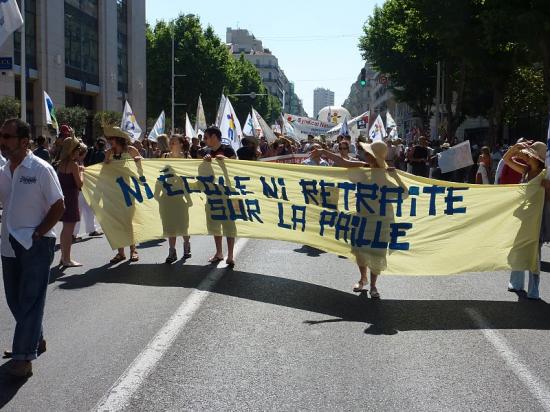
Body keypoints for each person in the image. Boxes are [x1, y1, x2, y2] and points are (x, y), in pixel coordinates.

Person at [0, 118, 65, 378]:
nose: (2, 140)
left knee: (30, 299)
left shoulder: (40, 169)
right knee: (15, 299)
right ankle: (34, 339)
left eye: (7, 136)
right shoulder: (4, 169)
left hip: (37, 243)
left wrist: (38, 233)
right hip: (8, 243)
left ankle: (23, 357)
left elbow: (58, 205)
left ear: (25, 141)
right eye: (1, 135)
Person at [311, 140, 393, 298]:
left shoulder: (387, 172)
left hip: (381, 218)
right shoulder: (363, 167)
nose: (366, 154)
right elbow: (343, 162)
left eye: (369, 153)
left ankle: (374, 285)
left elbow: (402, 191)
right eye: (367, 152)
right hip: (362, 215)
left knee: (377, 251)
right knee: (360, 250)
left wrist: (395, 176)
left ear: (376, 156)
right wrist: (323, 152)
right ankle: (363, 279)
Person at [503, 141, 547, 299]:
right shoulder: (525, 171)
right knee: (518, 248)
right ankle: (516, 283)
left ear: (539, 158)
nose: (528, 156)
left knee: (534, 254)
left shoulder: (546, 175)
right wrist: (515, 148)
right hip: (523, 218)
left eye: (531, 154)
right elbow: (507, 160)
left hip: (537, 219)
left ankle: (534, 289)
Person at [104, 126, 143, 263]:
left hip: (127, 192)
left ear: (119, 139)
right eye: (108, 139)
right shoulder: (108, 153)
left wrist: (139, 160)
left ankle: (133, 250)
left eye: (111, 138)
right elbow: (104, 174)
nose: (109, 141)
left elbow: (141, 169)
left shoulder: (131, 150)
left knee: (128, 222)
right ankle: (121, 253)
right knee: (116, 223)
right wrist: (106, 164)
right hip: (113, 193)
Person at [201, 126, 237, 266]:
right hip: (213, 194)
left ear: (214, 137)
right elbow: (203, 171)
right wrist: (206, 163)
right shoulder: (207, 152)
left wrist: (226, 160)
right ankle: (219, 253)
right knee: (215, 223)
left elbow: (237, 168)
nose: (204, 140)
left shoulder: (228, 150)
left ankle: (231, 255)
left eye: (206, 137)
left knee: (229, 224)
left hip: (229, 194)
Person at [163, 135, 192, 263]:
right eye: (170, 142)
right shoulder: (164, 157)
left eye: (174, 142)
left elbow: (191, 176)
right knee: (170, 225)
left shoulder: (186, 157)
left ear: (181, 143)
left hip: (182, 196)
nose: (171, 144)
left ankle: (186, 245)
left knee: (183, 224)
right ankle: (172, 251)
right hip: (168, 196)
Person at [57, 137, 85, 267]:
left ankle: (64, 257)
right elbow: (80, 184)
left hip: (64, 198)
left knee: (65, 230)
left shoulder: (61, 164)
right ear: (72, 150)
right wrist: (81, 172)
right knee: (69, 230)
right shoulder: (73, 165)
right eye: (78, 149)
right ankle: (67, 259)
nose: (79, 151)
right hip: (71, 199)